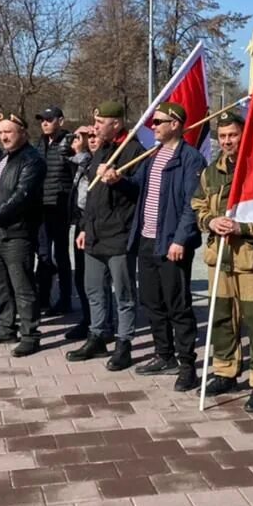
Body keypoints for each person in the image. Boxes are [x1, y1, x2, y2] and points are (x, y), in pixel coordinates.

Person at [110, 101, 205, 392]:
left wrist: (180, 239)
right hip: (146, 240)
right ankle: (164, 355)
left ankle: (187, 364)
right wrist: (117, 180)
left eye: (158, 122)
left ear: (175, 124)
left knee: (178, 304)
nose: (153, 127)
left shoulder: (190, 159)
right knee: (152, 301)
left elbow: (192, 204)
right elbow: (136, 187)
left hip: (171, 243)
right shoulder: (153, 155)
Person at [191, 110, 253, 411]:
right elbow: (198, 205)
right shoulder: (211, 172)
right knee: (221, 320)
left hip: (252, 260)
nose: (228, 141)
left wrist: (242, 228)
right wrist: (210, 221)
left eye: (233, 135)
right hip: (220, 259)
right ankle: (226, 371)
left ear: (244, 135)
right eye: (223, 136)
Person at [69, 102, 144, 371]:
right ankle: (98, 335)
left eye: (101, 122)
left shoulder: (134, 150)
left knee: (123, 293)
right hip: (95, 234)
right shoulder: (101, 149)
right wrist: (85, 228)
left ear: (116, 123)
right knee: (94, 289)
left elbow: (140, 191)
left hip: (119, 235)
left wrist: (119, 181)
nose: (95, 127)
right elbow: (92, 195)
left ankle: (124, 343)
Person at [0, 113, 45, 357]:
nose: (3, 136)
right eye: (1, 132)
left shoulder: (32, 160)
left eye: (9, 131)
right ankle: (5, 327)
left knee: (22, 286)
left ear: (23, 133)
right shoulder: (0, 158)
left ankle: (30, 335)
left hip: (16, 234)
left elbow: (21, 196)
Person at [35, 106, 74, 315]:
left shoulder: (69, 143)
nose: (45, 123)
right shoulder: (39, 143)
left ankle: (65, 299)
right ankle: (43, 298)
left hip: (60, 207)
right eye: (42, 119)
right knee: (42, 254)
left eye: (49, 119)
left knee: (61, 255)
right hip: (41, 207)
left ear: (60, 120)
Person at [63, 125, 98, 342]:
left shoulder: (94, 160)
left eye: (83, 136)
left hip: (94, 223)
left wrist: (80, 150)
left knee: (93, 279)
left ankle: (99, 323)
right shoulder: (79, 159)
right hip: (80, 221)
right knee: (81, 276)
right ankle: (88, 318)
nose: (77, 139)